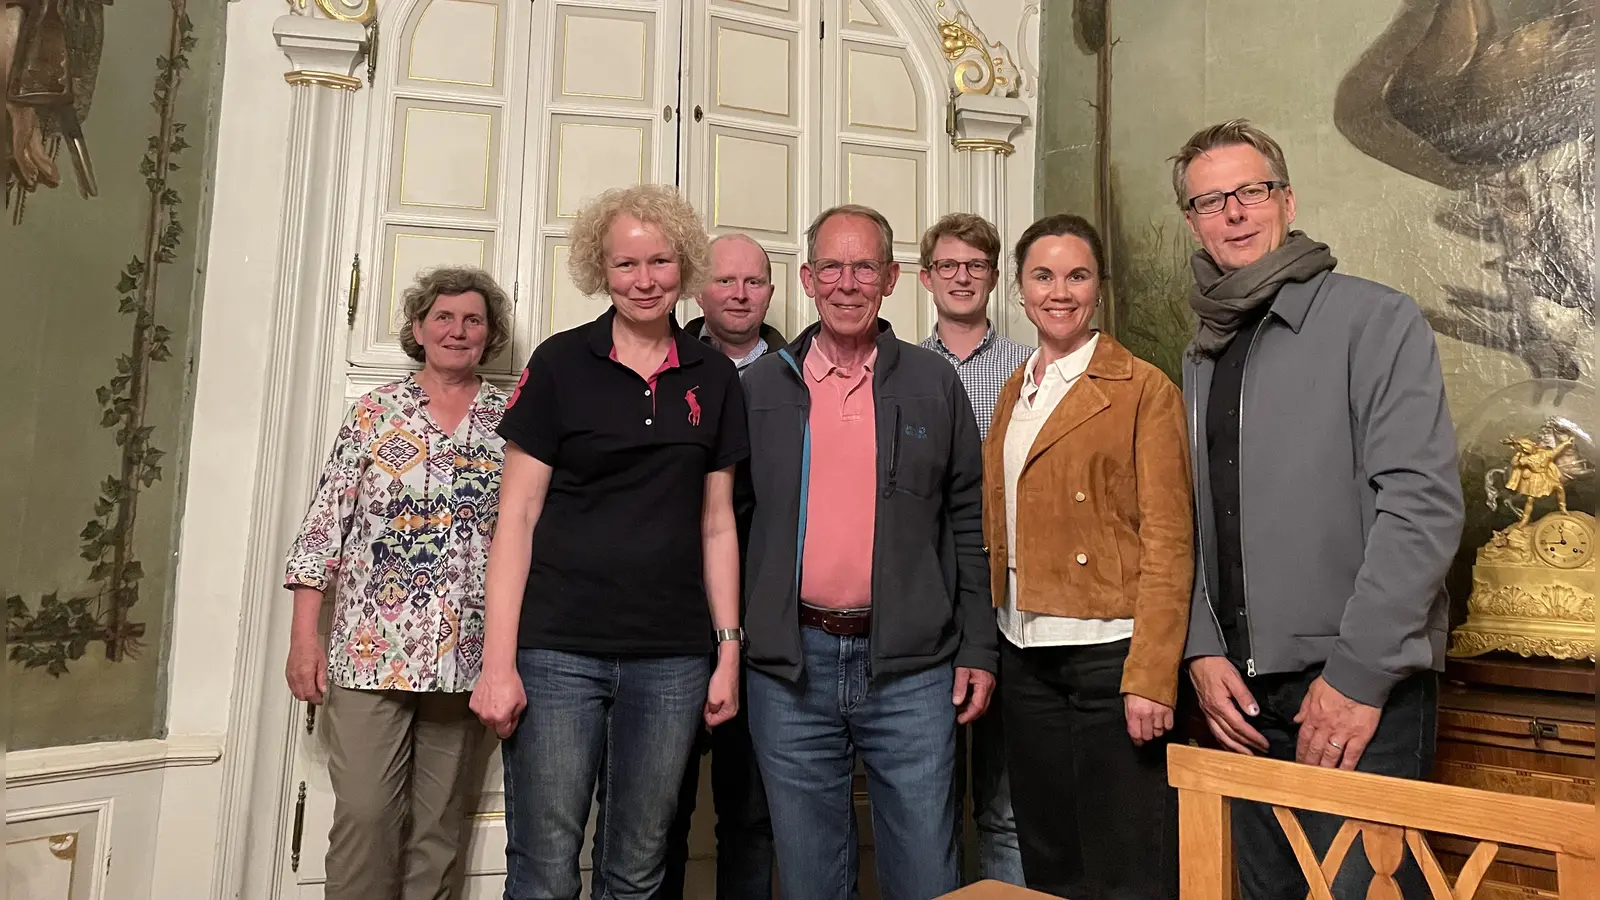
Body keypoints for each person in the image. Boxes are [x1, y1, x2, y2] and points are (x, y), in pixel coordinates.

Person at [1172, 119, 1464, 899]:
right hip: (1240, 699)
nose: (1233, 212)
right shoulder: (1202, 352)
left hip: (1355, 692)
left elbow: (1422, 508)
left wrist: (1358, 679)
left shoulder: (1376, 320)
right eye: (1209, 200)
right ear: (1193, 222)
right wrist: (1202, 653)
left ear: (1287, 200)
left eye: (1250, 191)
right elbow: (1191, 520)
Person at [469, 184, 750, 900]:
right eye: (626, 264)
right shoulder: (561, 365)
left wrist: (727, 652)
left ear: (683, 265)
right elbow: (517, 521)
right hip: (558, 652)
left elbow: (718, 525)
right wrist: (497, 664)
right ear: (601, 269)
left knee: (638, 866)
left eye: (659, 261)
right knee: (545, 865)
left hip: (673, 661)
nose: (645, 279)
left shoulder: (712, 375)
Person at [740, 203, 996, 900]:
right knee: (810, 875)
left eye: (863, 267)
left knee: (925, 872)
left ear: (890, 278)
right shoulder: (760, 388)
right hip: (789, 670)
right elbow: (727, 526)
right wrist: (735, 644)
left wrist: (977, 648)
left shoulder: (933, 383)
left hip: (913, 672)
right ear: (808, 277)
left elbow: (969, 521)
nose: (846, 282)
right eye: (832, 266)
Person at [283, 265, 513, 900]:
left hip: (467, 655)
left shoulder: (511, 419)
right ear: (418, 327)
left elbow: (526, 536)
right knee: (365, 814)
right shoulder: (374, 412)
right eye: (443, 317)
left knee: (438, 827)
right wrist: (306, 640)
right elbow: (323, 528)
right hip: (368, 650)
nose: (458, 331)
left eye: (473, 320)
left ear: (489, 335)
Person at [985, 214, 1192, 899]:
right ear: (1019, 289)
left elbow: (1169, 540)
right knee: (1049, 852)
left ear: (1099, 289)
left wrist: (1153, 675)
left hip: (1112, 654)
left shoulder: (1143, 388)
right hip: (1024, 648)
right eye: (1043, 276)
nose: (1060, 291)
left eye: (1077, 275)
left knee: (1126, 861)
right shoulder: (1016, 393)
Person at [651, 232, 785, 900]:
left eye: (753, 282)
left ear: (771, 289)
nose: (738, 294)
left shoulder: (804, 370)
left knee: (751, 811)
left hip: (766, 620)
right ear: (699, 287)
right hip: (668, 617)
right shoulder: (660, 362)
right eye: (725, 281)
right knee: (658, 812)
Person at [915, 212, 1029, 887]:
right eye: (949, 265)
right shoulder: (897, 367)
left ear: (994, 280)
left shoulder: (1027, 367)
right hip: (926, 593)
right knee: (924, 799)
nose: (962, 277)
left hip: (1010, 596)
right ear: (926, 277)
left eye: (976, 266)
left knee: (1005, 796)